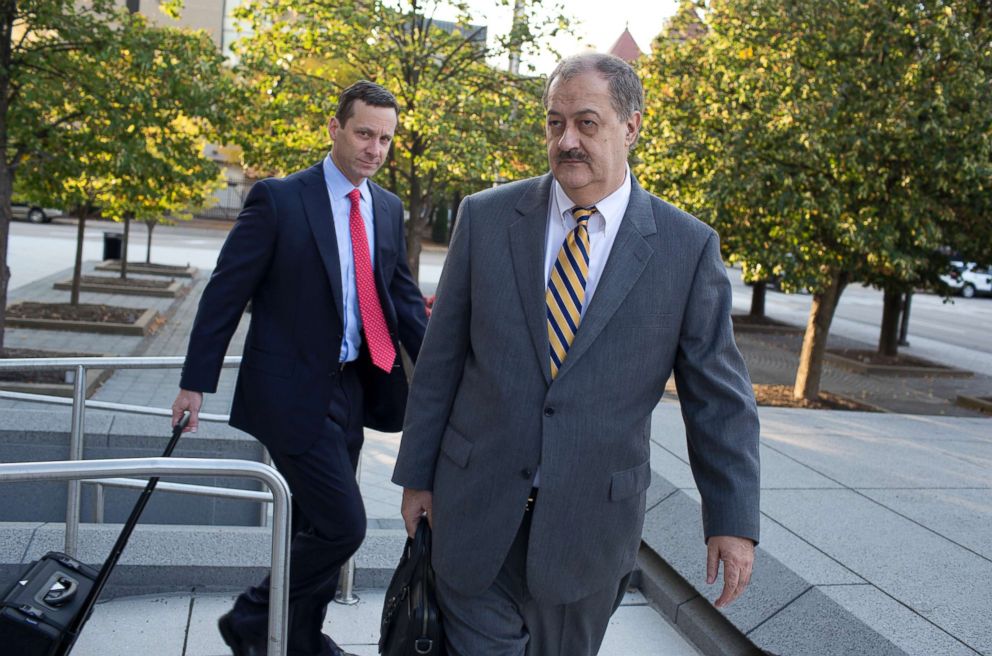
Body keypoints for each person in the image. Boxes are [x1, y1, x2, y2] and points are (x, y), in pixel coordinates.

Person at [393, 53, 760, 655]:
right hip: (474, 508)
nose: (567, 140)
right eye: (554, 123)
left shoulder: (686, 249)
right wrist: (416, 477)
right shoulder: (485, 218)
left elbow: (719, 399)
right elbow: (441, 362)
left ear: (631, 127)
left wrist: (732, 520)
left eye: (586, 123)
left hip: (591, 532)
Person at [172, 81, 427, 656]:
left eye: (385, 139)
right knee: (345, 525)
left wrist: (447, 368)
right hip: (290, 392)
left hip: (354, 387)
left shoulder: (385, 207)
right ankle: (251, 619)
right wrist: (194, 381)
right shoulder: (280, 199)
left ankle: (299, 638)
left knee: (316, 527)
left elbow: (404, 302)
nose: (375, 148)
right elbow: (225, 292)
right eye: (364, 133)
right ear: (334, 129)